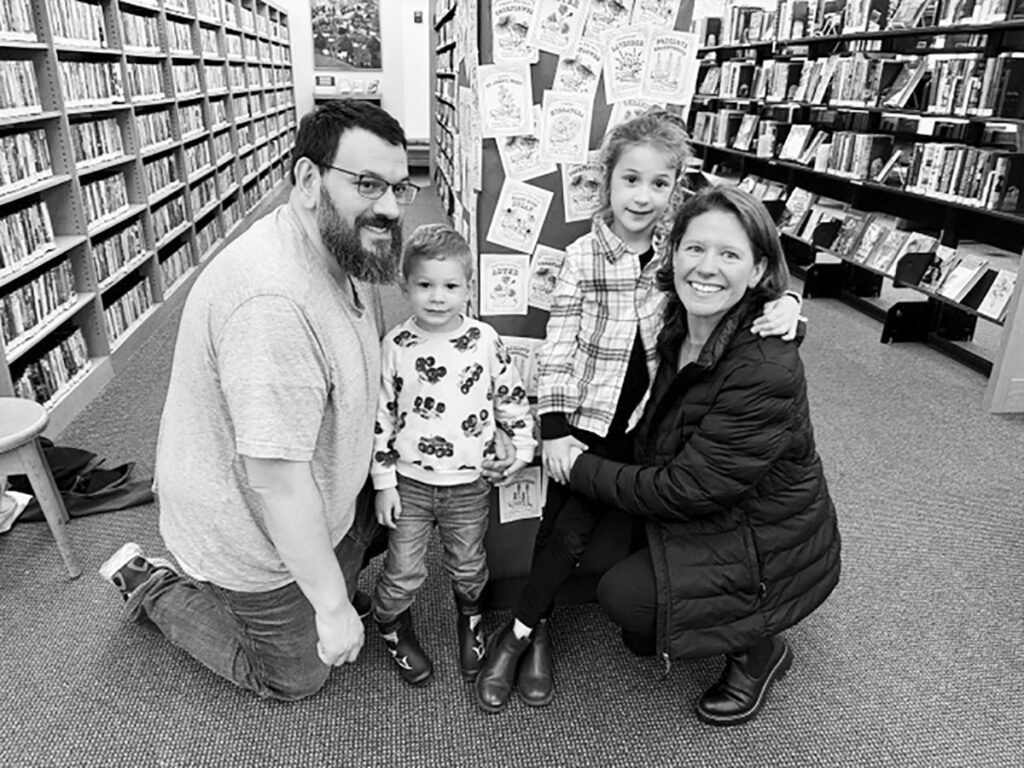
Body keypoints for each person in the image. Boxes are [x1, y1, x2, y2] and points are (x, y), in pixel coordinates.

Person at [96, 101, 515, 701]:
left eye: (399, 186)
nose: (393, 207)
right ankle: (152, 585)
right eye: (367, 184)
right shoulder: (273, 305)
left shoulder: (346, 251)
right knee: (296, 677)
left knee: (411, 503)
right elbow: (275, 480)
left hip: (332, 493)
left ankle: (324, 577)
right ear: (309, 179)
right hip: (250, 530)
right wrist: (332, 608)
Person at [475, 111, 805, 713]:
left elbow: (746, 279)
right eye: (631, 180)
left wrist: (790, 301)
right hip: (584, 421)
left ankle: (520, 632)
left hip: (647, 426)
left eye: (659, 184)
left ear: (676, 187)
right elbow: (556, 348)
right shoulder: (581, 257)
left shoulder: (679, 252)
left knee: (584, 526)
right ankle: (529, 631)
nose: (643, 197)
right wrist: (552, 431)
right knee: (563, 526)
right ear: (607, 181)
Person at [567, 186, 841, 726]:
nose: (707, 267)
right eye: (695, 249)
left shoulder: (764, 366)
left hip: (758, 536)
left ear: (759, 268)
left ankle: (759, 651)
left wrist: (574, 465)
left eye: (730, 254)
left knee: (627, 597)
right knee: (635, 614)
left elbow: (685, 492)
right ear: (672, 252)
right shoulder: (670, 319)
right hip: (708, 497)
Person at [369, 224, 535, 686]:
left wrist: (521, 447)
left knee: (469, 563)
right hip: (410, 483)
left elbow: (510, 395)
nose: (437, 297)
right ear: (405, 285)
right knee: (403, 568)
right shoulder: (396, 346)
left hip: (468, 483)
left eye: (450, 286)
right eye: (424, 285)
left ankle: (471, 619)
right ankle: (391, 624)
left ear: (469, 288)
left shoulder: (484, 339)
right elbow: (380, 417)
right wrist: (383, 483)